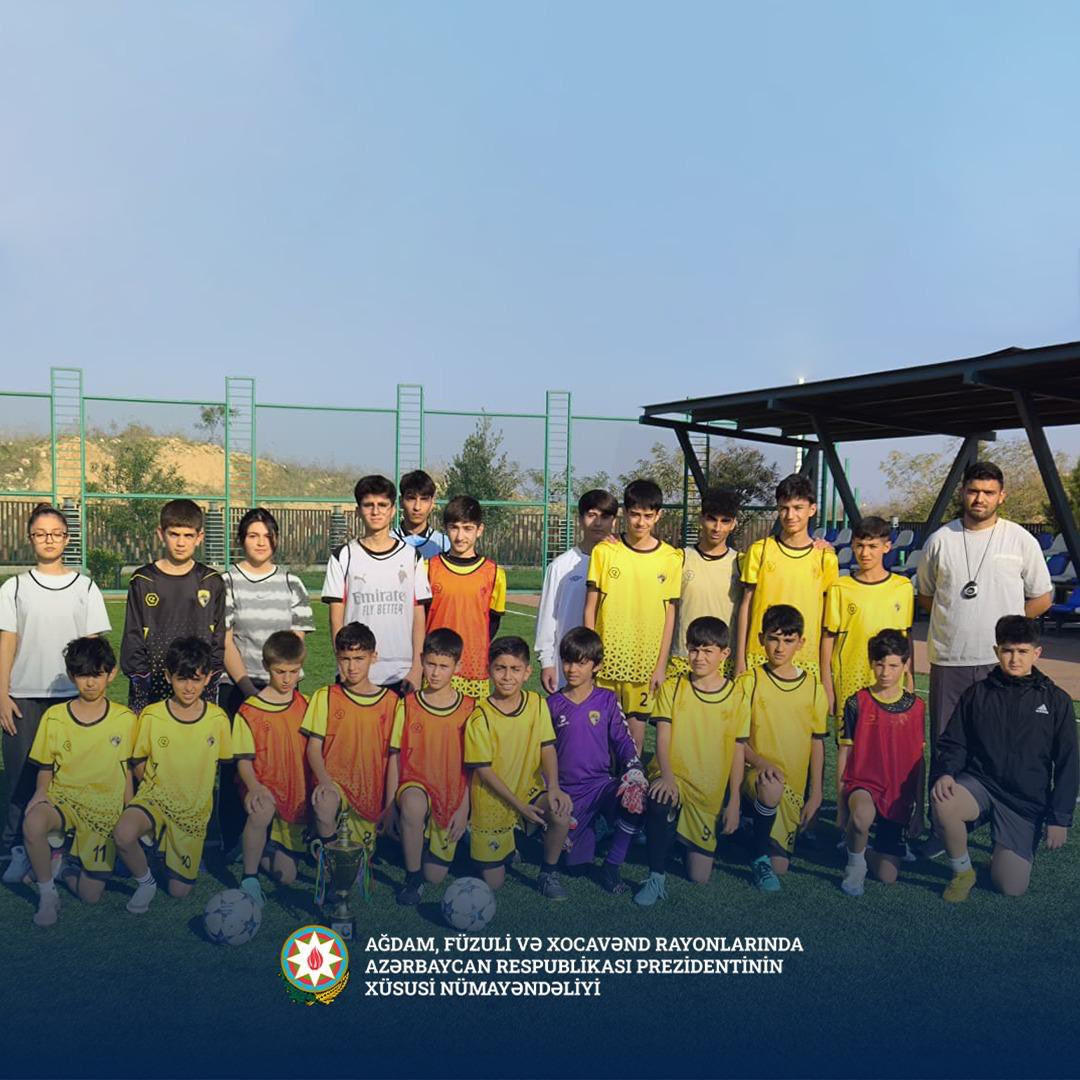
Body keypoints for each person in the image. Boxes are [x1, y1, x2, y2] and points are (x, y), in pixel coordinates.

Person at [916, 461, 1052, 851]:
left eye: (989, 492)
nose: (980, 498)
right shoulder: (940, 540)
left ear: (1001, 496)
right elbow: (927, 596)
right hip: (950, 659)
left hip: (1001, 665)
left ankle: (1004, 828)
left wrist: (1011, 631)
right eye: (974, 490)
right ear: (963, 492)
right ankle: (941, 830)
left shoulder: (1019, 539)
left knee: (1004, 747)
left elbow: (1043, 597)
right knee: (946, 746)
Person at [930, 615, 1077, 902]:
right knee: (944, 801)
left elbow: (1068, 763)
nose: (1014, 659)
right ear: (997, 651)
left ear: (1037, 653)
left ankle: (999, 859)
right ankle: (963, 872)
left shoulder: (1056, 700)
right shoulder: (977, 694)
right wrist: (946, 772)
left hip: (1024, 801)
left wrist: (1060, 819)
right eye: (1008, 651)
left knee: (1010, 887)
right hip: (981, 785)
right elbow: (955, 741)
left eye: (1022, 651)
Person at [0, 504, 110, 874]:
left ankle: (65, 847)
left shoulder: (85, 587)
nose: (48, 540)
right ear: (30, 539)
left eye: (56, 533)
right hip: (23, 696)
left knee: (70, 776)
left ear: (66, 538)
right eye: (40, 534)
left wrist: (93, 694)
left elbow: (94, 648)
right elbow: (7, 642)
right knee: (21, 775)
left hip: (72, 696)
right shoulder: (14, 587)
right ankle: (16, 848)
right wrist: (2, 694)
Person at [21, 638, 136, 927]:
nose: (90, 683)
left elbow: (126, 771)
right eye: (83, 675)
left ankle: (59, 866)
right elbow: (46, 767)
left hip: (104, 811)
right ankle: (47, 895)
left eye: (97, 674)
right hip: (64, 801)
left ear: (111, 673)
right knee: (33, 822)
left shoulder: (125, 719)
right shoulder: (55, 717)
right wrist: (40, 792)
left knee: (90, 894)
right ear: (72, 675)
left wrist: (130, 809)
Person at [113, 637, 233, 913]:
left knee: (179, 891)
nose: (189, 687)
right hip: (155, 800)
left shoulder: (217, 720)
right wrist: (151, 789)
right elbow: (137, 760)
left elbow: (223, 766)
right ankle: (145, 882)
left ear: (208, 678)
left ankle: (159, 851)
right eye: (182, 679)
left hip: (191, 813)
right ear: (168, 677)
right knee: (123, 832)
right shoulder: (152, 716)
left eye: (196, 679)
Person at [634, 617, 748, 907]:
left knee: (699, 876)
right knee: (660, 798)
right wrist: (667, 776)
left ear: (724, 654)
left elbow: (738, 750)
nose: (699, 657)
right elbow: (662, 739)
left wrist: (734, 801)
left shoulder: (737, 695)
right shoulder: (673, 687)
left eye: (708, 651)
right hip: (674, 776)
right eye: (694, 649)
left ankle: (674, 834)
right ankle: (656, 876)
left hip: (708, 792)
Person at [820, 515, 914, 829]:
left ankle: (889, 821)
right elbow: (828, 639)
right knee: (849, 752)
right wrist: (828, 685)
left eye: (873, 546)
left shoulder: (902, 587)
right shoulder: (841, 587)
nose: (865, 552)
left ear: (887, 547)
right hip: (851, 682)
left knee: (889, 753)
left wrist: (909, 677)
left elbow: (905, 639)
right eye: (860, 545)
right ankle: (843, 818)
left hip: (890, 685)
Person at [464, 637, 573, 897]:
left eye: (515, 669)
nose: (507, 676)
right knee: (494, 883)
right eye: (500, 668)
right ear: (489, 670)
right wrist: (519, 807)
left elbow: (547, 747)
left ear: (527, 672)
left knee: (560, 810)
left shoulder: (536, 703)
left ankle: (548, 873)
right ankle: (481, 839)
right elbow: (484, 772)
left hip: (529, 791)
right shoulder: (480, 716)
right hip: (493, 800)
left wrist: (554, 787)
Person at [584, 479, 682, 751]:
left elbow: (670, 615)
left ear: (658, 515)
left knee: (634, 740)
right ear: (625, 513)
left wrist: (660, 665)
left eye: (648, 515)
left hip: (645, 664)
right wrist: (591, 657)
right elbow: (590, 608)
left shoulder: (671, 558)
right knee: (602, 737)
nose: (641, 522)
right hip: (607, 661)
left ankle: (632, 779)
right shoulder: (605, 551)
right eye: (635, 514)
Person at [547, 627, 646, 894]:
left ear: (597, 665)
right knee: (575, 867)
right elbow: (542, 754)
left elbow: (622, 739)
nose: (572, 669)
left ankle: (612, 866)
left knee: (635, 795)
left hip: (602, 786)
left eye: (581, 663)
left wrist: (634, 768)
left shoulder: (606, 699)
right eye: (567, 661)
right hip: (569, 793)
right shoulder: (552, 704)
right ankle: (595, 827)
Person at [740, 604, 828, 892]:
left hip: (794, 787)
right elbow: (735, 741)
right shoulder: (749, 681)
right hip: (755, 777)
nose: (780, 648)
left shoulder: (813, 687)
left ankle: (752, 828)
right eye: (773, 639)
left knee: (782, 866)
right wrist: (761, 763)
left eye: (788, 640)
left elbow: (817, 742)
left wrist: (816, 795)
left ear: (801, 643)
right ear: (761, 639)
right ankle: (757, 854)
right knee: (770, 786)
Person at [322, 475, 430, 695]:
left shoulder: (411, 556)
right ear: (358, 510)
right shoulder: (343, 556)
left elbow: (419, 617)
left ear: (393, 510)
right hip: (356, 672)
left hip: (401, 674)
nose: (375, 511)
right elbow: (336, 618)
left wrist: (416, 669)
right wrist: (343, 664)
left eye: (382, 505)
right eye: (368, 505)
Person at [837, 630, 925, 896]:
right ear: (871, 663)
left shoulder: (917, 707)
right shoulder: (857, 702)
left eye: (893, 666)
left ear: (906, 665)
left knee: (888, 875)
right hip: (863, 785)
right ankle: (855, 866)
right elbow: (844, 754)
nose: (885, 672)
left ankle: (866, 849)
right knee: (862, 815)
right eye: (879, 664)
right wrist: (841, 808)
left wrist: (918, 811)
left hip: (897, 797)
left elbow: (919, 761)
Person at [390, 628, 473, 906]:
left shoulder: (470, 709)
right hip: (414, 784)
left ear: (457, 667)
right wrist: (390, 806)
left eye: (443, 666)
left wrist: (464, 810)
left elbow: (474, 767)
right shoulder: (408, 705)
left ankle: (430, 839)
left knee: (435, 876)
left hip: (451, 793)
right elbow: (394, 756)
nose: (435, 673)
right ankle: (412, 878)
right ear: (421, 660)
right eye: (431, 664)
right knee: (413, 805)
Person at [302, 622, 397, 862]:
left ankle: (330, 847)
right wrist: (325, 782)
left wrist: (390, 806)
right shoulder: (325, 696)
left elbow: (394, 757)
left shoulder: (392, 702)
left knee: (358, 863)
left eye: (359, 659)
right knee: (325, 802)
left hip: (369, 795)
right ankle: (328, 855)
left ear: (373, 657)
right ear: (337, 657)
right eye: (345, 659)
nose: (352, 667)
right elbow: (313, 748)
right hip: (334, 784)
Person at [120, 498, 226, 715]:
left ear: (199, 537)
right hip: (153, 687)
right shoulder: (143, 580)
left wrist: (209, 676)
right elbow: (133, 635)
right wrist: (141, 680)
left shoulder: (211, 581)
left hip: (198, 685)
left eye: (188, 536)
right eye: (174, 534)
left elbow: (218, 637)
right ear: (161, 534)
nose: (181, 543)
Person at [231, 630, 312, 907]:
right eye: (280, 672)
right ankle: (249, 878)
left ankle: (258, 846)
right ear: (266, 666)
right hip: (262, 787)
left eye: (293, 672)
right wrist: (254, 787)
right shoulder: (250, 710)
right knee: (262, 807)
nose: (287, 679)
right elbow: (243, 760)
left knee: (286, 876)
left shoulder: (306, 705)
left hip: (295, 792)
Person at [736, 474, 837, 681]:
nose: (790, 515)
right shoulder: (760, 550)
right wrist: (739, 658)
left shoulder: (825, 558)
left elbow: (828, 619)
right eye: (784, 508)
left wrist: (825, 669)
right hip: (759, 654)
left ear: (812, 509)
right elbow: (746, 605)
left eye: (798, 508)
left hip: (806, 657)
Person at [221, 507, 313, 714]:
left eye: (267, 536)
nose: (261, 543)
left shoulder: (293, 583)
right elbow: (225, 642)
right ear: (241, 539)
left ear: (276, 539)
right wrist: (249, 690)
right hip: (237, 688)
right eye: (253, 536)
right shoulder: (226, 583)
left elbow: (294, 645)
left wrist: (278, 685)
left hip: (283, 687)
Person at [535, 489, 619, 693]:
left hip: (614, 664)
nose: (598, 522)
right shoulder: (560, 566)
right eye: (591, 515)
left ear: (614, 521)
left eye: (605, 516)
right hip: (572, 663)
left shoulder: (623, 562)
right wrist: (547, 661)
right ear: (580, 519)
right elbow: (548, 617)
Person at [426, 496, 507, 699]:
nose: (460, 536)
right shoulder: (428, 568)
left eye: (468, 528)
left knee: (472, 719)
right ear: (445, 528)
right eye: (454, 528)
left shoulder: (494, 573)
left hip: (474, 667)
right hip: (435, 665)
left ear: (480, 530)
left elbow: (493, 623)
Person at [670, 488, 742, 680]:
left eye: (725, 521)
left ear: (733, 524)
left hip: (723, 661)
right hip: (684, 657)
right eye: (712, 519)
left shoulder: (741, 563)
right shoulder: (680, 558)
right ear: (701, 519)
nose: (717, 528)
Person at [394, 469, 450, 560]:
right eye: (411, 498)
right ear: (401, 501)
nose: (417, 507)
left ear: (432, 503)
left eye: (424, 499)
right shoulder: (386, 541)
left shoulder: (445, 545)